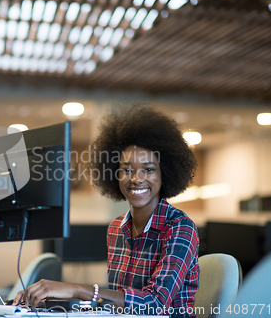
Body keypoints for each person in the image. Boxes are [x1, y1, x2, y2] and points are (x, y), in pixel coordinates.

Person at [13, 103, 200, 316]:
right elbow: (116, 303)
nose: (136, 179)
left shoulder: (180, 228)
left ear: (165, 174)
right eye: (126, 170)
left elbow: (154, 304)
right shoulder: (115, 229)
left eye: (148, 169)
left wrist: (77, 289)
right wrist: (52, 297)